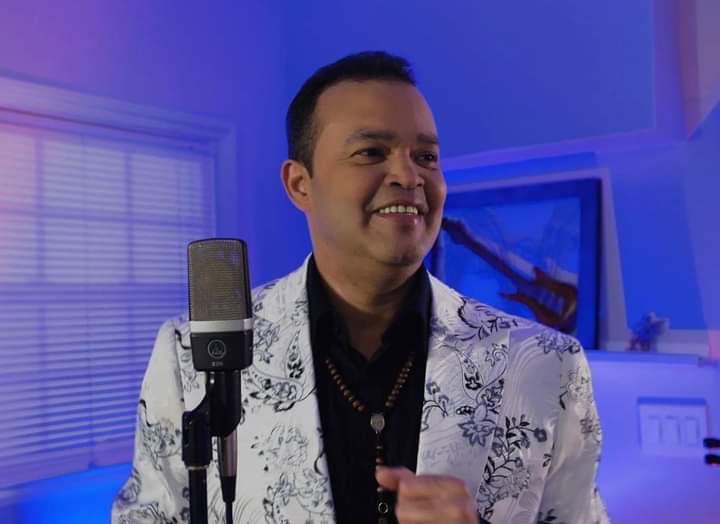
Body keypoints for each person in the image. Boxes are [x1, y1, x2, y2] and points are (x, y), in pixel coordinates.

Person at [112, 51, 609, 524]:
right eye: (371, 152)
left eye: (426, 156)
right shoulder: (190, 356)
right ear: (300, 184)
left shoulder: (548, 364)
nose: (409, 175)